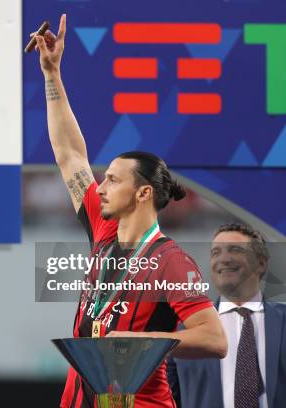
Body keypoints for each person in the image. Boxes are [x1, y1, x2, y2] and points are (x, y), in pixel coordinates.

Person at [32, 14, 227, 408]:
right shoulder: (104, 233)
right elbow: (71, 155)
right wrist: (52, 75)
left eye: (113, 181)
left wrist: (144, 344)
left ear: (141, 194)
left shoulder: (171, 262)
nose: (99, 187)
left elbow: (214, 338)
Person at [169, 223, 286, 408]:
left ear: (261, 263)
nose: (223, 259)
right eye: (216, 253)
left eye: (235, 250)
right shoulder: (183, 331)